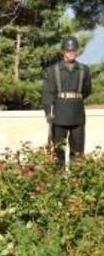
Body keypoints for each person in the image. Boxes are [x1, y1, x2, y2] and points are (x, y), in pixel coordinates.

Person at [42, 36, 92, 169]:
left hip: (77, 113)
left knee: (78, 151)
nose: (71, 53)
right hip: (59, 114)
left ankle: (77, 180)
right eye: (68, 50)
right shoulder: (53, 71)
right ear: (63, 51)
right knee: (58, 151)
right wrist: (48, 112)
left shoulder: (84, 70)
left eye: (73, 50)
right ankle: (59, 181)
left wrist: (74, 98)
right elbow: (48, 94)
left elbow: (87, 91)